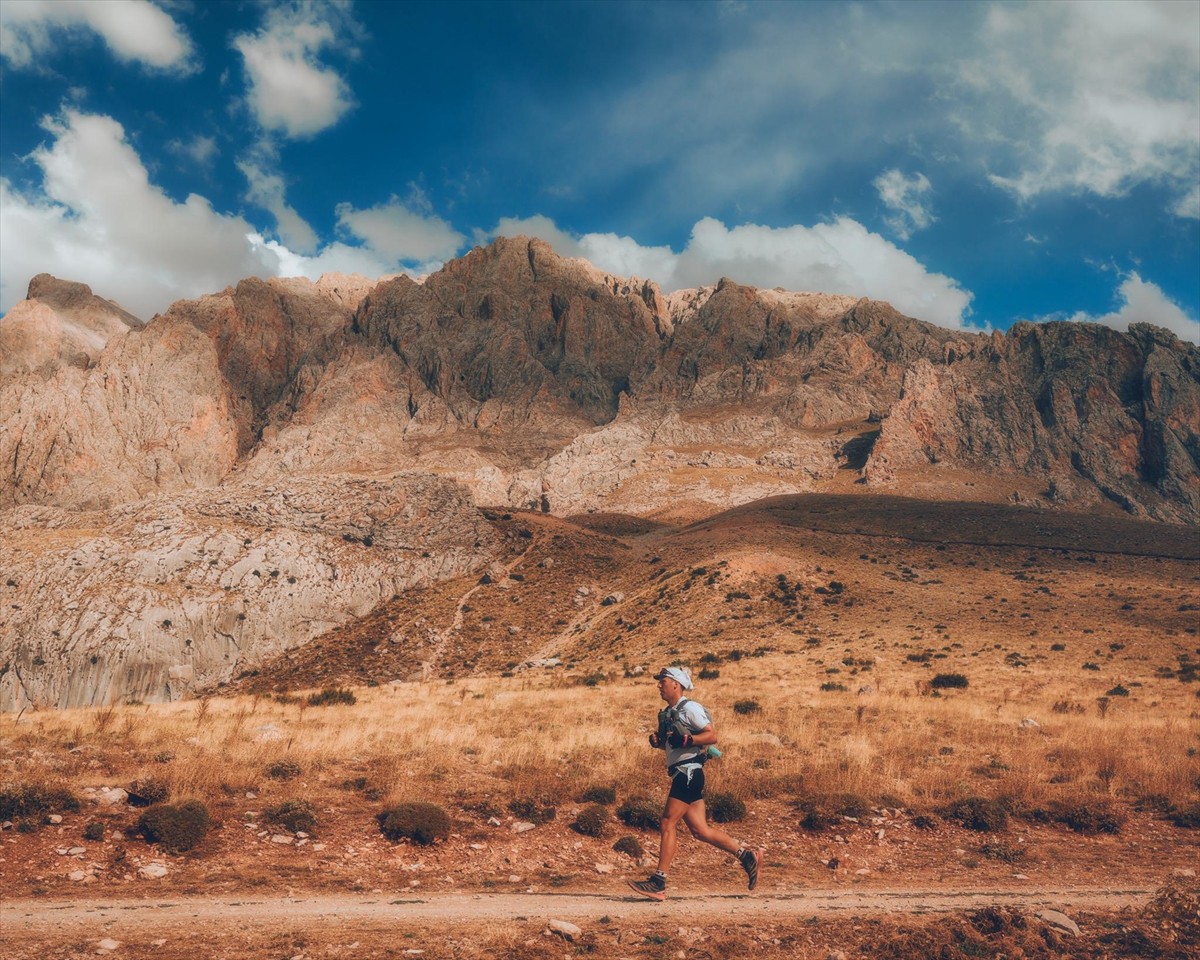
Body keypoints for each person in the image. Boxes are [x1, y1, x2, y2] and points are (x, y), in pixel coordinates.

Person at [626, 666, 759, 901]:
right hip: (684, 773)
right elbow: (674, 743)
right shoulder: (669, 713)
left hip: (689, 772)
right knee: (700, 830)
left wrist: (688, 739)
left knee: (668, 821)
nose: (659, 685)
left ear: (676, 684)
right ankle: (746, 855)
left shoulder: (691, 709)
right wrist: (657, 742)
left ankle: (658, 882)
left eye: (663, 681)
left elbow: (711, 735)